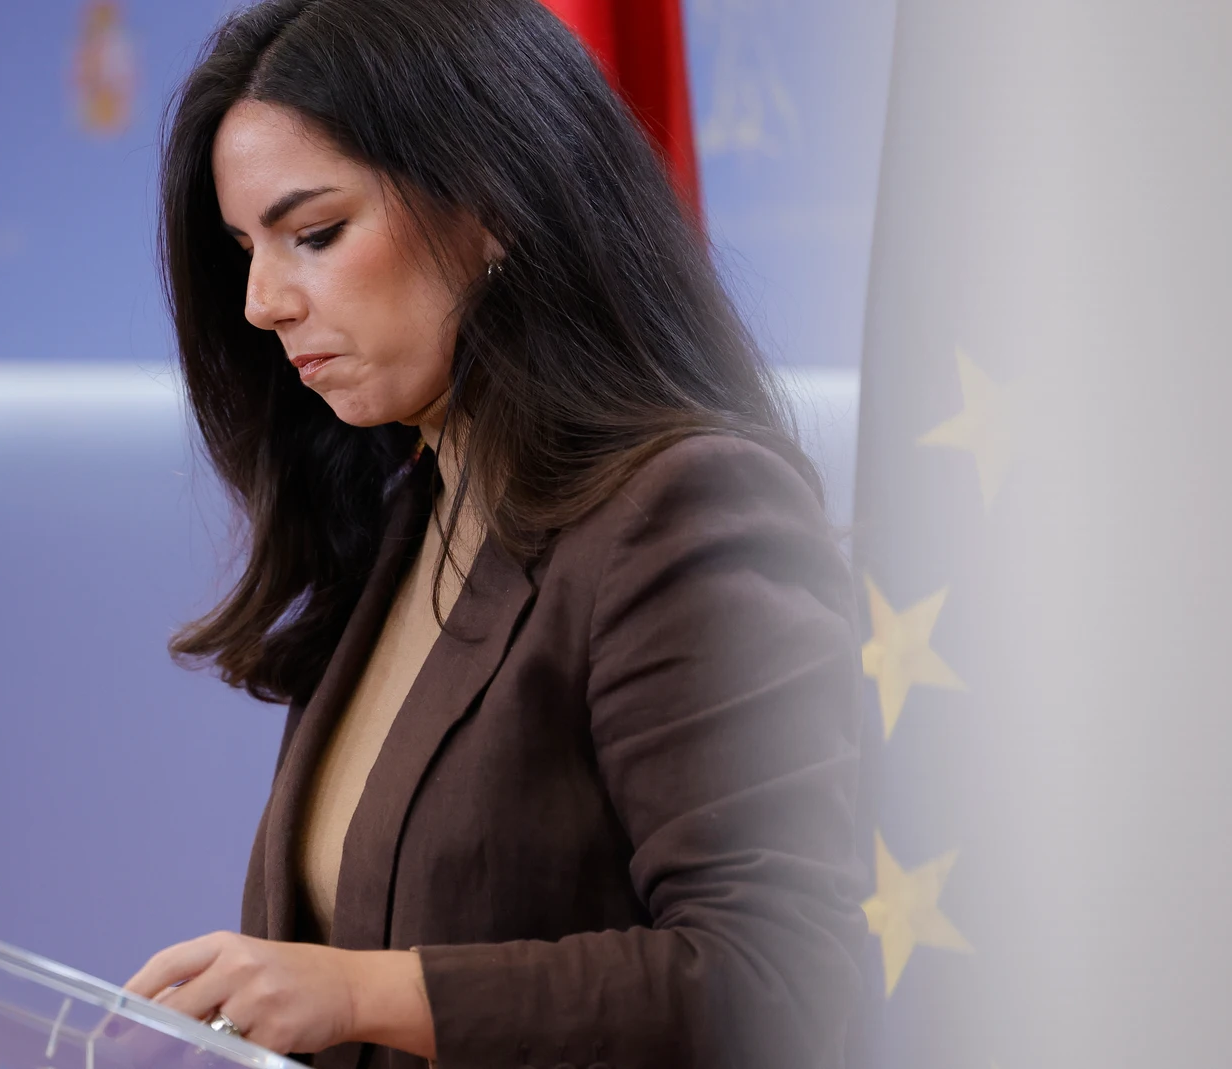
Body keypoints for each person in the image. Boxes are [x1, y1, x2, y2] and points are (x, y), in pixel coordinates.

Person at [123, 0, 869, 1065]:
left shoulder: (682, 508)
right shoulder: (408, 513)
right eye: (246, 248)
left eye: (315, 233)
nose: (260, 301)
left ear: (492, 208)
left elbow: (777, 978)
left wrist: (361, 993)